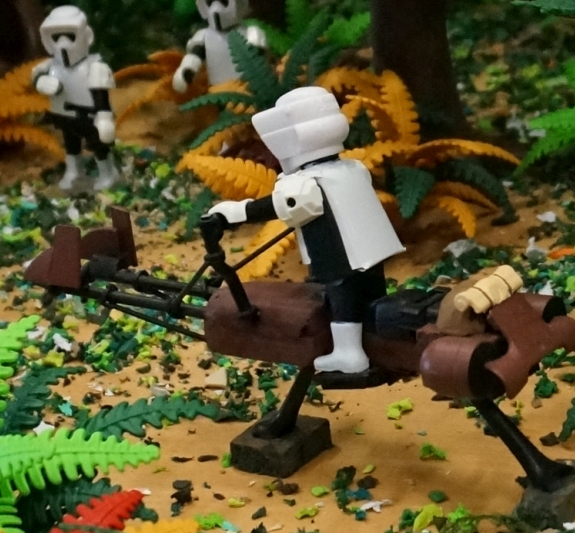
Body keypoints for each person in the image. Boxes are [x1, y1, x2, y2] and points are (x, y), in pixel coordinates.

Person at [208, 86, 405, 374]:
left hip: (340, 255)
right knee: (369, 292)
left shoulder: (305, 181)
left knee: (342, 298)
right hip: (373, 249)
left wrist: (235, 212)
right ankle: (374, 337)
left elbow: (277, 206)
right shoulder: (352, 167)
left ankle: (349, 352)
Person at [32, 5, 118, 191]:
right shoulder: (51, 66)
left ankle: (107, 173)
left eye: (70, 36)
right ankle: (75, 170)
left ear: (86, 36)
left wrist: (104, 118)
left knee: (98, 145)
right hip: (64, 114)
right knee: (70, 143)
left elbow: (100, 95)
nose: (63, 43)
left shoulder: (94, 67)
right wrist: (41, 81)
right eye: (56, 37)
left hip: (90, 116)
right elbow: (36, 75)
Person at [173, 0, 266, 93]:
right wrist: (186, 70)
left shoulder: (250, 33)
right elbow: (195, 56)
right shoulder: (204, 36)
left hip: (247, 88)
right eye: (210, 2)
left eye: (224, 1)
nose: (216, 8)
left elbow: (262, 63)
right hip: (217, 91)